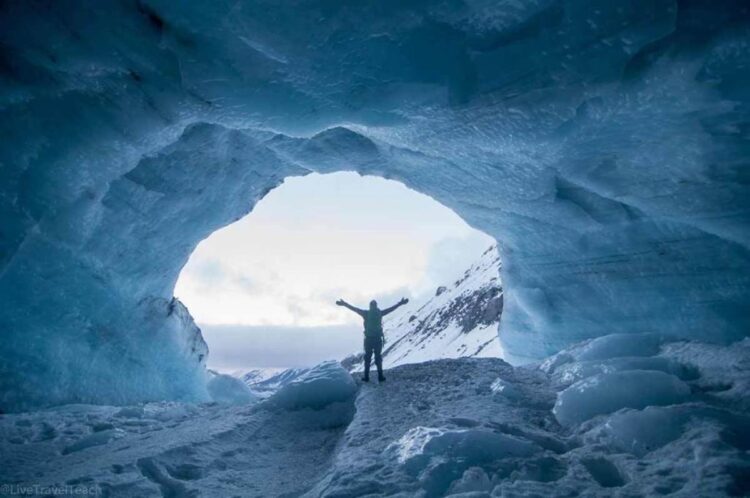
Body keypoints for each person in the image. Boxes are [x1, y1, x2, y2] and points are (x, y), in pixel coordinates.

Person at [336, 297, 409, 382]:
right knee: (378, 358)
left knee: (367, 358)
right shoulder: (380, 313)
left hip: (368, 340)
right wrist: (400, 303)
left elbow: (354, 309)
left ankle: (366, 377)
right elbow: (391, 309)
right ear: (376, 306)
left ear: (370, 306)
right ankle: (380, 377)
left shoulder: (366, 313)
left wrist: (344, 304)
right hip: (378, 339)